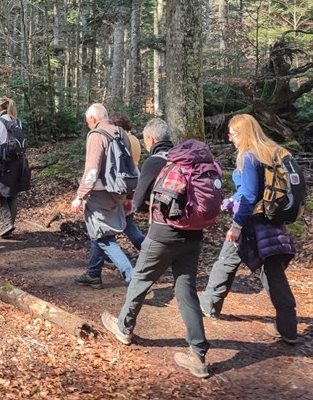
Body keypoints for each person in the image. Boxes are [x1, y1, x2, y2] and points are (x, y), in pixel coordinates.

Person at [100, 117, 211, 379]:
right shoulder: (189, 159)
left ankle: (124, 328)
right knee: (186, 292)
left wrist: (128, 206)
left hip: (163, 234)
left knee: (140, 278)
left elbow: (137, 200)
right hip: (194, 235)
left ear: (149, 140)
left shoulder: (156, 160)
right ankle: (198, 355)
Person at [199, 114, 298, 344]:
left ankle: (208, 306)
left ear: (242, 133)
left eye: (232, 134)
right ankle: (288, 328)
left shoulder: (248, 155)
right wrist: (233, 198)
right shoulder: (270, 151)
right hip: (271, 222)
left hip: (251, 224)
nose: (230, 138)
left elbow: (251, 195)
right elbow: (253, 191)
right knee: (273, 273)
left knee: (225, 261)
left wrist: (236, 225)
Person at [70, 104, 134, 289]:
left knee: (104, 238)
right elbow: (129, 166)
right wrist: (129, 194)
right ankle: (93, 274)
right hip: (119, 191)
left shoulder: (96, 135)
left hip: (100, 193)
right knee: (98, 232)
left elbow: (91, 170)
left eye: (88, 121)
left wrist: (80, 196)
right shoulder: (121, 133)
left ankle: (132, 277)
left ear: (92, 119)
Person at [0, 96, 30, 238]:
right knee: (12, 193)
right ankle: (9, 226)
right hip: (19, 163)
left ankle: (7, 223)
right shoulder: (17, 121)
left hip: (4, 163)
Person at [110, 113, 145, 250]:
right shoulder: (134, 139)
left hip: (121, 182)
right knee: (128, 223)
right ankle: (146, 251)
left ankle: (107, 255)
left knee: (111, 223)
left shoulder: (120, 140)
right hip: (134, 179)